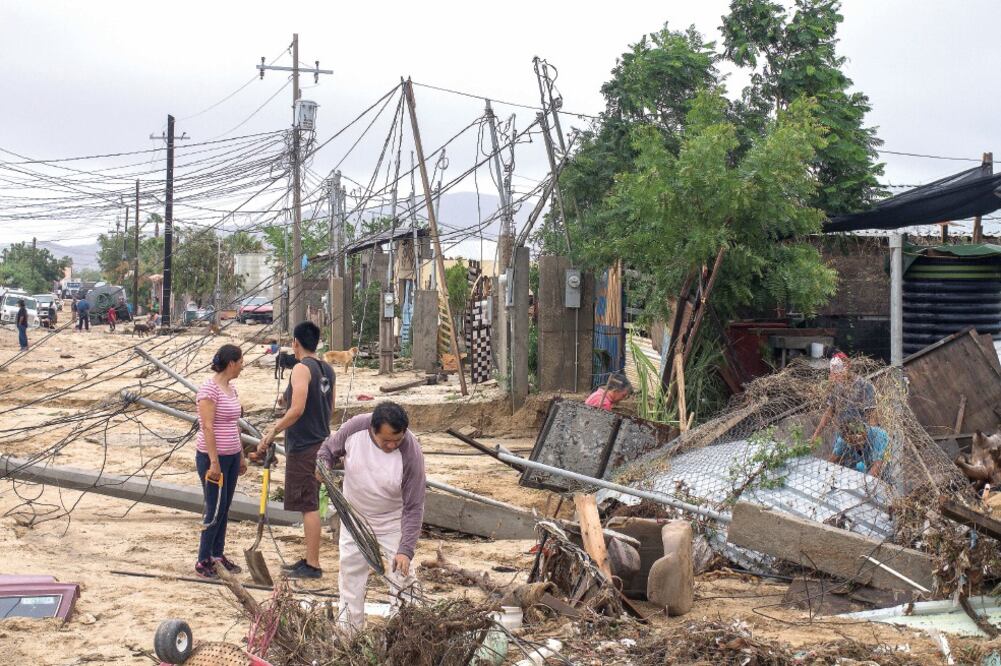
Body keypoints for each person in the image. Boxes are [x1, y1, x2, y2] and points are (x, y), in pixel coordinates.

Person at [317, 401, 425, 630]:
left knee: (403, 579)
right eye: (386, 440)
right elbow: (327, 451)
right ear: (372, 430)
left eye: (397, 439)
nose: (392, 444)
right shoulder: (355, 428)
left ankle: (404, 634)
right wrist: (323, 466)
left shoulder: (411, 452)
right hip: (354, 518)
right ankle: (349, 634)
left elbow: (414, 506)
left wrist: (405, 549)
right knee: (350, 577)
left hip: (392, 522)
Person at [257, 321, 335, 579]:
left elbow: (298, 409)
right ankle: (309, 559)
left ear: (296, 343)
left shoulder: (301, 369)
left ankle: (312, 564)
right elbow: (327, 407)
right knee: (309, 501)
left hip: (304, 445)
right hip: (322, 442)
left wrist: (272, 431)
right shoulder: (328, 370)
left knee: (308, 504)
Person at [194, 344, 247, 578]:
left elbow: (234, 423)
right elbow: (207, 426)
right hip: (212, 457)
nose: (242, 367)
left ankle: (217, 554)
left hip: (232, 456)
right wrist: (214, 462)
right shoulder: (209, 389)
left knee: (224, 507)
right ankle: (203, 559)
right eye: (241, 362)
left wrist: (242, 456)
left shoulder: (231, 388)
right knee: (213, 508)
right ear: (231, 363)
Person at [811, 352, 877, 440]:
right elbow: (829, 411)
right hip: (842, 435)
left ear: (848, 366)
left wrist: (870, 438)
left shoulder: (864, 385)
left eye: (839, 370)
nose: (837, 375)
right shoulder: (837, 387)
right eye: (834, 373)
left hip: (860, 434)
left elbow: (872, 414)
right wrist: (816, 435)